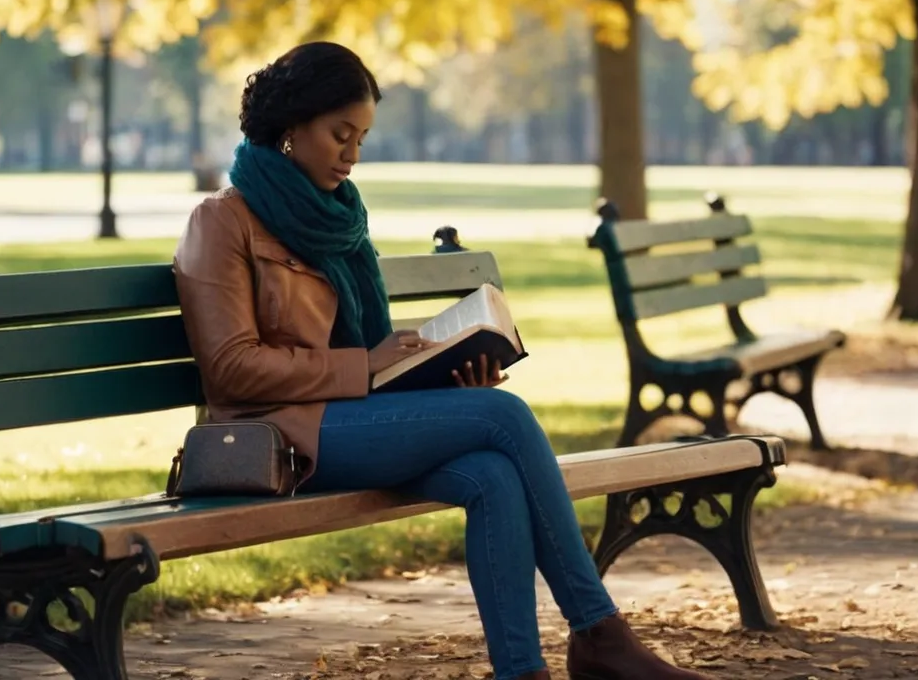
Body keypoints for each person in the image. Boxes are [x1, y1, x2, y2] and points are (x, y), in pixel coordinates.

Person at [172, 41, 711, 680]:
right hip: (277, 436)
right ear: (291, 128)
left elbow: (359, 343)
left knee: (492, 473)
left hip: (350, 415)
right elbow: (230, 371)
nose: (352, 153)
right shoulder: (221, 222)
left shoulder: (338, 218)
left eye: (362, 138)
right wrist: (366, 368)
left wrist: (441, 375)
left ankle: (524, 671)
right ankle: (599, 633)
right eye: (339, 134)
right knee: (503, 417)